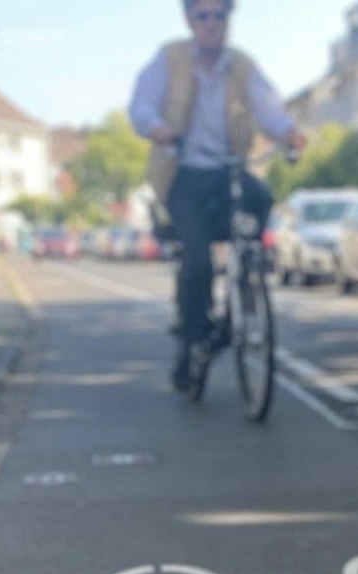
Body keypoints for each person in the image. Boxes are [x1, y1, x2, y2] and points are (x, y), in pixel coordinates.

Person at [130, 0, 307, 390]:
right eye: (203, 16)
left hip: (228, 168)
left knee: (260, 196)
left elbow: (268, 108)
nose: (212, 24)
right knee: (199, 261)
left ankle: (247, 275)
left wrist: (287, 133)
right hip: (184, 172)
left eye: (220, 16)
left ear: (229, 20)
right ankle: (194, 337)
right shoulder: (170, 58)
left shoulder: (241, 64)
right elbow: (141, 105)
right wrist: (157, 127)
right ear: (189, 20)